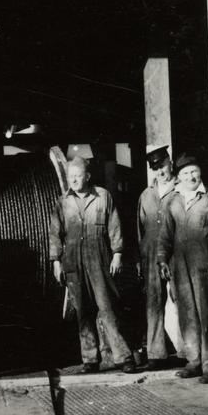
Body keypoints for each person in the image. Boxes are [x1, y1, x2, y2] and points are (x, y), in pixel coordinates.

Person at [49, 156, 136, 374]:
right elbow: (54, 234)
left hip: (100, 258)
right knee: (83, 313)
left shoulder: (103, 196)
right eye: (71, 177)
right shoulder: (62, 202)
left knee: (108, 308)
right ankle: (90, 359)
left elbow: (114, 226)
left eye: (78, 176)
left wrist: (117, 253)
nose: (74, 180)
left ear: (87, 176)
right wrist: (56, 261)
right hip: (73, 260)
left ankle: (123, 357)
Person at [157, 153, 208, 384]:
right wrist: (162, 259)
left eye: (194, 171)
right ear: (178, 177)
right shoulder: (173, 201)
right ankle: (194, 361)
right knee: (187, 315)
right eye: (186, 173)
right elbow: (165, 235)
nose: (191, 176)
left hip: (206, 267)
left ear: (200, 173)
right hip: (180, 267)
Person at [137, 145, 178, 370]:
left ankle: (191, 352)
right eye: (155, 168)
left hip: (176, 255)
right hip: (151, 256)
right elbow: (139, 229)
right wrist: (140, 258)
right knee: (153, 303)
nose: (160, 171)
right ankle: (156, 354)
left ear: (170, 162)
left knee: (182, 299)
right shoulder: (146, 196)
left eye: (162, 165)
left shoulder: (181, 191)